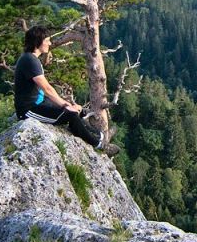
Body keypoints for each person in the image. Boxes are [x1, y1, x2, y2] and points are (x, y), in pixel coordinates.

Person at [15, 25, 120, 156]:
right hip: (29, 110)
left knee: (78, 110)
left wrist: (68, 105)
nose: (50, 43)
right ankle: (99, 144)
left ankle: (98, 134)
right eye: (47, 40)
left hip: (40, 102)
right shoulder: (29, 60)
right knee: (70, 113)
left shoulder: (30, 58)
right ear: (38, 42)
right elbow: (47, 89)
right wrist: (65, 105)